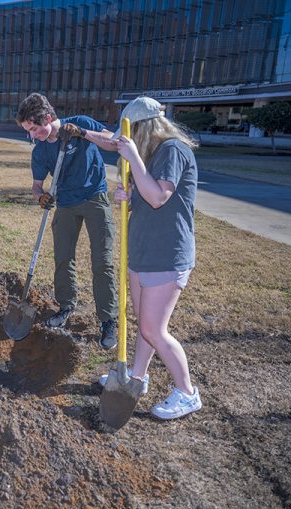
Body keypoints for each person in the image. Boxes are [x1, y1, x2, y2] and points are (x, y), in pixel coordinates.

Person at [75, 96, 202, 420]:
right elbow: (148, 195)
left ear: (144, 129)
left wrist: (133, 158)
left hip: (168, 254)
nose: (126, 144)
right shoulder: (156, 154)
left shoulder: (173, 150)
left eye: (130, 138)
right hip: (143, 250)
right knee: (145, 323)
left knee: (153, 329)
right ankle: (138, 378)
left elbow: (160, 196)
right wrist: (130, 196)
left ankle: (187, 393)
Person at [16, 93, 118, 349]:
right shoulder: (40, 150)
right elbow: (37, 186)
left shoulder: (80, 123)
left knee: (102, 262)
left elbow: (113, 143)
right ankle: (66, 306)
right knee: (63, 258)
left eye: (35, 128)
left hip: (95, 197)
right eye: (28, 130)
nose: (32, 135)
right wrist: (41, 198)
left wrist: (83, 133)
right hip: (65, 204)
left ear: (49, 118)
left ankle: (108, 320)